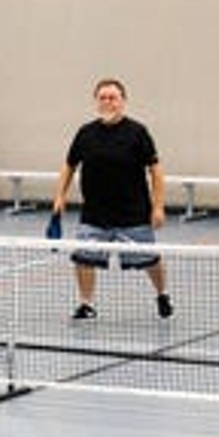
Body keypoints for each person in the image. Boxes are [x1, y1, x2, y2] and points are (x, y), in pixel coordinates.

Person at [51, 77, 172, 320]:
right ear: (96, 101)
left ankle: (162, 294)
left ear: (122, 101)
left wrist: (158, 206)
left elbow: (156, 170)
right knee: (83, 259)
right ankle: (86, 304)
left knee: (150, 260)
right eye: (103, 97)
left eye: (113, 97)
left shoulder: (138, 132)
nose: (108, 102)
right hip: (95, 214)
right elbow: (69, 165)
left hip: (133, 213)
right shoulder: (85, 133)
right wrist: (59, 196)